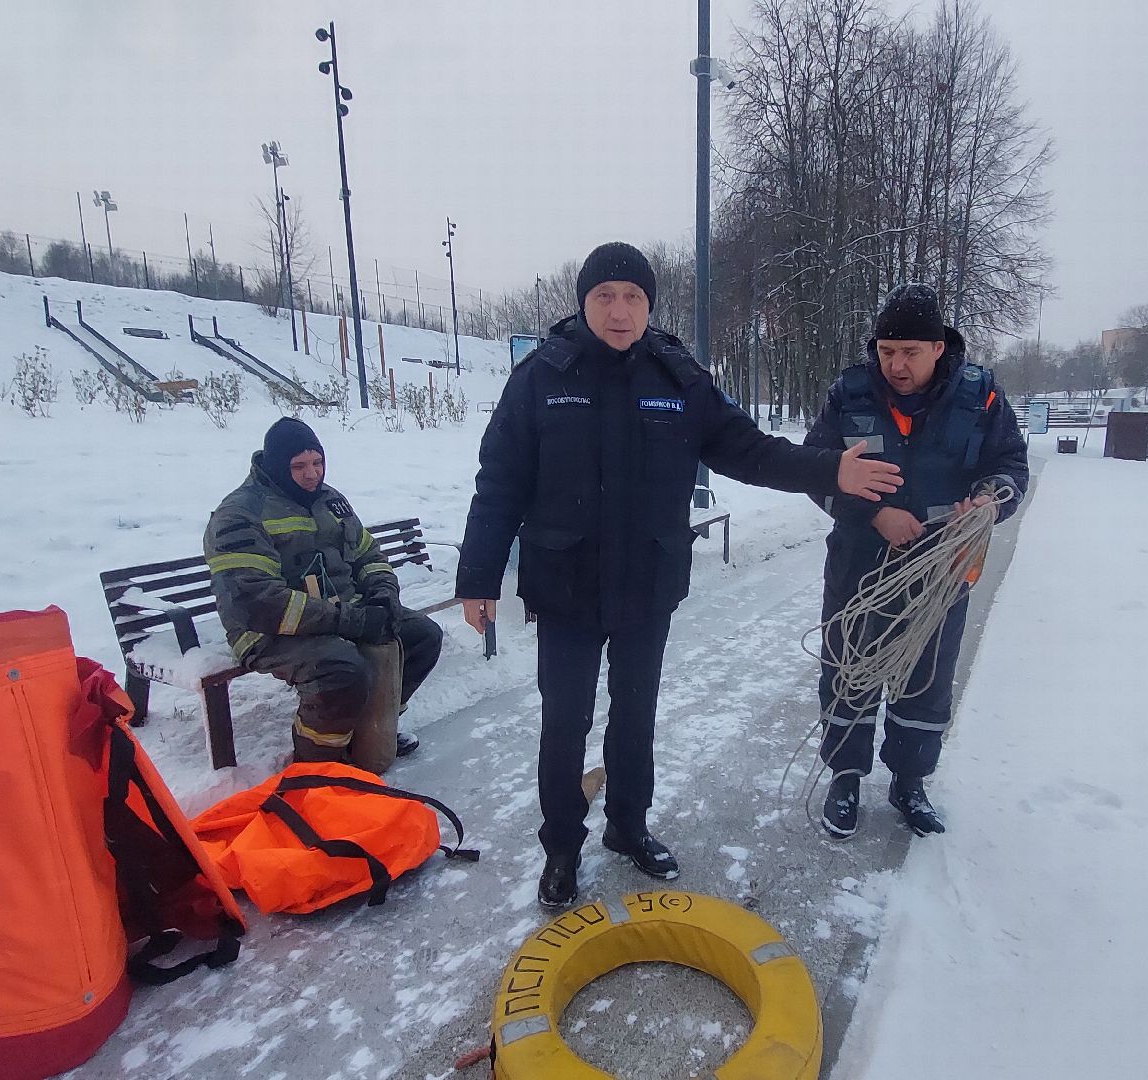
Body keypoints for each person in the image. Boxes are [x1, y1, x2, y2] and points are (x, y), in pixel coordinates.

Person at [455, 242, 905, 907]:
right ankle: (561, 849)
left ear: (649, 306)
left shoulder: (679, 378)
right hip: (567, 586)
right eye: (605, 295)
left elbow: (746, 450)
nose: (619, 309)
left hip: (646, 583)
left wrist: (827, 469)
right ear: (583, 302)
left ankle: (628, 828)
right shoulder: (541, 378)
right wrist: (478, 576)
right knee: (565, 723)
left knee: (635, 718)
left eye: (633, 296)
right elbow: (499, 482)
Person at [803, 283, 1028, 837]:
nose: (895, 365)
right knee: (848, 668)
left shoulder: (981, 397)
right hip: (859, 562)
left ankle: (909, 781)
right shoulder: (849, 394)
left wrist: (990, 498)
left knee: (926, 675)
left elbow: (1010, 466)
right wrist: (873, 515)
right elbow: (814, 469)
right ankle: (847, 776)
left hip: (940, 568)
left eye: (908, 353)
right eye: (885, 352)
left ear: (938, 348)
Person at [204, 416, 442, 768]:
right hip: (267, 629)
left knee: (421, 636)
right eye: (298, 466)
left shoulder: (330, 501)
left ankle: (374, 728)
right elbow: (256, 601)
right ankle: (318, 764)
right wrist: (352, 621)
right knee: (339, 669)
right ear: (276, 466)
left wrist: (383, 597)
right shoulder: (239, 514)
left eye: (317, 462)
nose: (312, 474)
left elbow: (368, 554)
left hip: (338, 612)